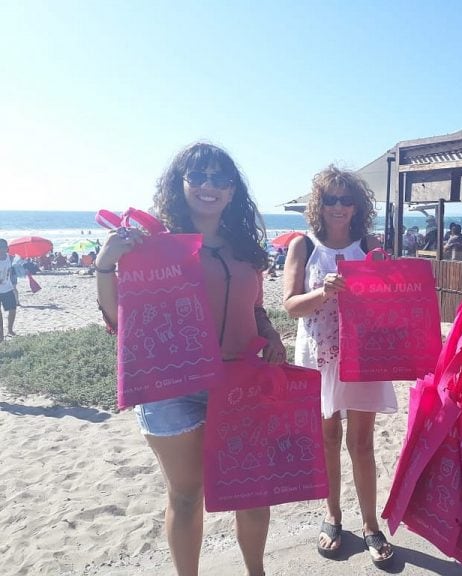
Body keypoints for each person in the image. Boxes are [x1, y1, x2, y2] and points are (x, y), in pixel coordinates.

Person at [95, 142, 286, 576]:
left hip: (241, 380)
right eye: (198, 176)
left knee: (252, 492)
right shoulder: (154, 245)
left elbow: (254, 307)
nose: (209, 186)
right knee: (186, 494)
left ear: (233, 191)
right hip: (172, 387)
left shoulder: (245, 248)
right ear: (180, 184)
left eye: (221, 179)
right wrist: (106, 266)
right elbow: (117, 317)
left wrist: (271, 334)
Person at [283, 165, 398, 568]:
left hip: (365, 355)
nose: (338, 206)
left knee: (362, 444)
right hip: (319, 355)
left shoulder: (370, 244)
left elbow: (391, 300)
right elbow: (290, 305)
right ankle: (332, 516)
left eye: (346, 199)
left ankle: (370, 525)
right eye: (330, 199)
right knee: (328, 439)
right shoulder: (304, 245)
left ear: (357, 205)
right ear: (320, 203)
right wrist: (323, 291)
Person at [0, 239, 18, 341]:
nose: (3, 250)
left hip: (7, 288)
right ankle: (1, 336)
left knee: (13, 309)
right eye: (1, 248)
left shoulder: (9, 257)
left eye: (4, 247)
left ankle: (10, 329)